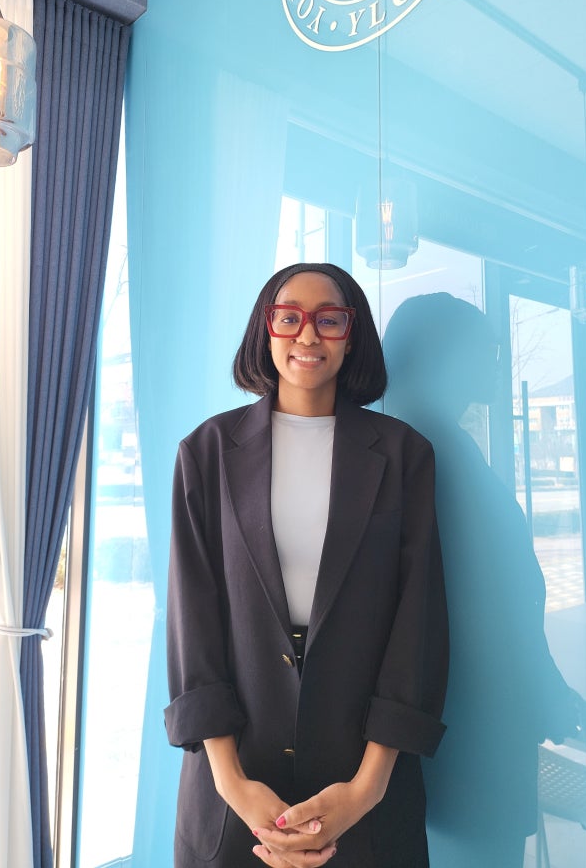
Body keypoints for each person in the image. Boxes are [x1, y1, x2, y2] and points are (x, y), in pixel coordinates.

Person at [164, 263, 449, 868]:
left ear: (352, 334)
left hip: (365, 779)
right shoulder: (207, 452)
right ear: (265, 329)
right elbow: (193, 621)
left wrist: (365, 789)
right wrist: (232, 784)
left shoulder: (404, 455)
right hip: (234, 784)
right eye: (289, 317)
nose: (308, 335)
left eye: (330, 320)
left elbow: (417, 624)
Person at [383, 293, 579, 868]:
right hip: (472, 740)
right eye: (486, 351)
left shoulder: (414, 442)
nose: (498, 364)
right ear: (439, 356)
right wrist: (544, 692)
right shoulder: (431, 454)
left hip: (443, 740)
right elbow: (488, 614)